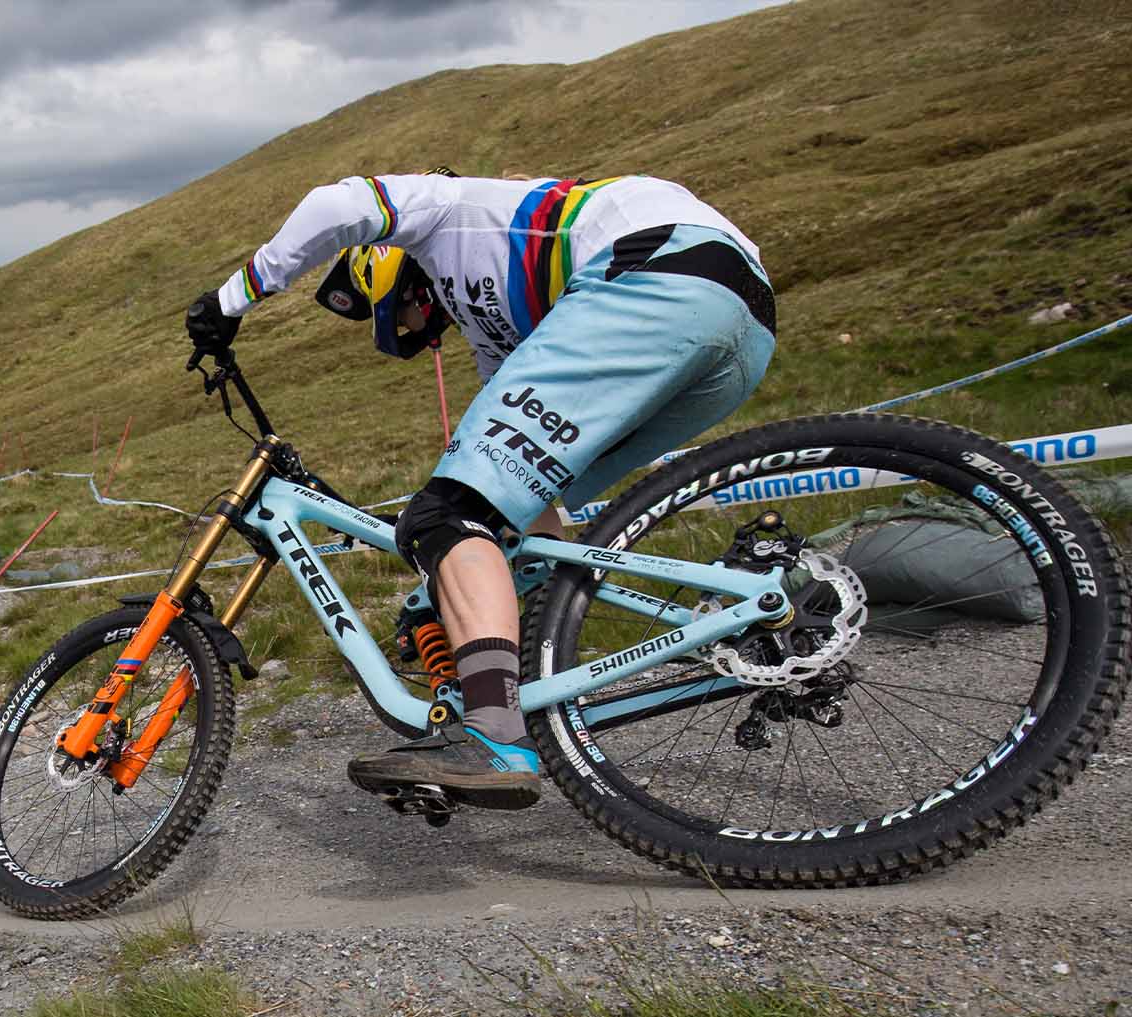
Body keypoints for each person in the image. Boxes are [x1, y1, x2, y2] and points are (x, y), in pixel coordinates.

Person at [186, 169, 774, 810]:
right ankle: (725, 618)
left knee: (443, 517)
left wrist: (231, 300)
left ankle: (494, 734)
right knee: (489, 517)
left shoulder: (444, 211)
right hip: (737, 322)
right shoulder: (500, 327)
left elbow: (335, 203)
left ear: (389, 271)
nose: (417, 325)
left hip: (653, 268)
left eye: (401, 313)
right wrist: (441, 589)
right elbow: (525, 498)